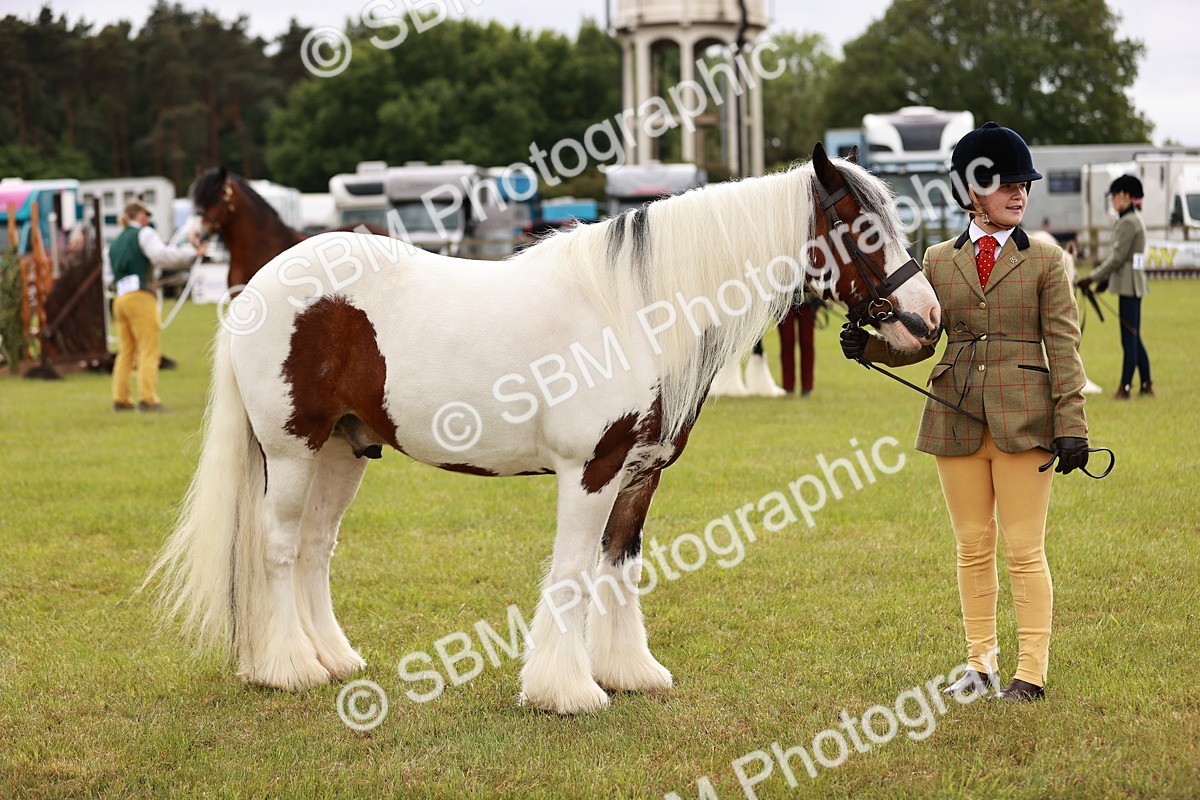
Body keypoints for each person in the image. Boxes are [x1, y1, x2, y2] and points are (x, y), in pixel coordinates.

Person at [840, 122, 1089, 702]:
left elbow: (1065, 347)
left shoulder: (1046, 261)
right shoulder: (937, 259)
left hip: (1026, 420)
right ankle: (980, 665)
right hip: (954, 417)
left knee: (1025, 549)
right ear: (973, 191)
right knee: (972, 546)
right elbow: (927, 340)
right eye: (1007, 184)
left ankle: (1031, 672)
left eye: (1024, 185)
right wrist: (872, 348)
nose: (1020, 194)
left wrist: (1072, 425)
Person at [110, 199, 205, 412]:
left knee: (126, 351)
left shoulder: (114, 244)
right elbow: (161, 256)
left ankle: (121, 398)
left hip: (120, 299)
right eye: (147, 215)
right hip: (140, 298)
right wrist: (192, 253)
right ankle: (147, 398)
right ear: (141, 215)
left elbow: (109, 275)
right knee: (149, 349)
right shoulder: (145, 234)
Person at [1077, 175, 1151, 399]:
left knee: (1128, 338)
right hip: (1131, 282)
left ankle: (1125, 387)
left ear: (1126, 196)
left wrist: (1092, 277)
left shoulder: (1128, 222)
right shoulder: (1133, 219)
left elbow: (1117, 258)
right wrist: (1106, 281)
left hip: (1129, 285)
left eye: (1115, 195)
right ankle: (1146, 383)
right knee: (1134, 336)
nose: (1113, 200)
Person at [777, 296, 818, 395]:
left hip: (807, 300)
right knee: (787, 344)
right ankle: (788, 387)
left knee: (807, 344)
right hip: (784, 301)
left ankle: (807, 387)